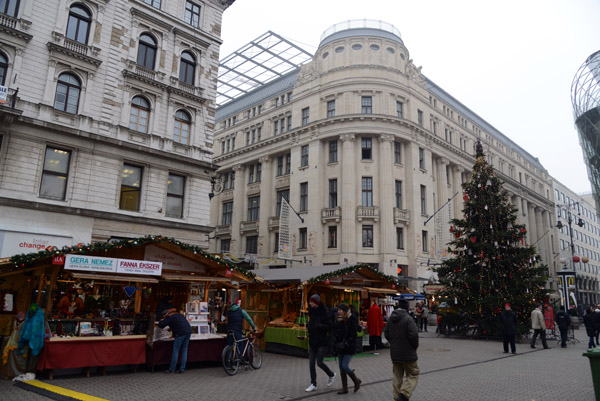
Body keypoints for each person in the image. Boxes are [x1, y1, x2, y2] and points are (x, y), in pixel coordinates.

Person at [384, 299, 419, 401]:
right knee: (413, 374)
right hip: (408, 353)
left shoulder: (391, 319)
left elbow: (386, 333)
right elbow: (414, 335)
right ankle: (404, 394)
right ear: (407, 308)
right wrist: (414, 347)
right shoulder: (408, 319)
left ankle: (397, 398)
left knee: (397, 377)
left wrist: (393, 343)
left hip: (395, 353)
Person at [305, 294, 336, 392]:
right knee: (311, 363)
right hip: (313, 340)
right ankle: (313, 383)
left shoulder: (324, 313)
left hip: (321, 341)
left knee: (319, 362)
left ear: (316, 303)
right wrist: (309, 326)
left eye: (311, 302)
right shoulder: (312, 312)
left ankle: (331, 374)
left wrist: (320, 326)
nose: (310, 304)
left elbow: (331, 326)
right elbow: (312, 324)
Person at [333, 303, 361, 394]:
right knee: (341, 367)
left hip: (349, 346)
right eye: (338, 310)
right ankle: (344, 388)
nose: (338, 312)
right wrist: (336, 344)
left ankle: (356, 381)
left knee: (345, 366)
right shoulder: (339, 319)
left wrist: (346, 343)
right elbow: (337, 333)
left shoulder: (351, 319)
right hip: (341, 346)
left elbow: (353, 335)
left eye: (340, 310)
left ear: (344, 311)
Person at [158, 308, 192, 373]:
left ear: (165, 315)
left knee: (175, 350)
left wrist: (161, 320)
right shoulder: (179, 315)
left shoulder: (169, 317)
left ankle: (172, 369)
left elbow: (161, 325)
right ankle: (182, 368)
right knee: (184, 350)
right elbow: (178, 324)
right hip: (188, 331)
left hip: (180, 333)